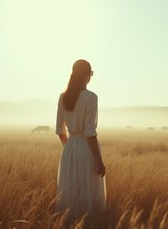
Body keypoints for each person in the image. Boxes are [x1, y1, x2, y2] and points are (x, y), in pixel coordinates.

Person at [55, 59, 107, 223]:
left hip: (69, 149)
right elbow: (90, 133)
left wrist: (71, 147)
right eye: (91, 73)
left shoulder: (63, 97)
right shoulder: (91, 97)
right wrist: (99, 160)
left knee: (71, 190)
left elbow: (59, 131)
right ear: (87, 75)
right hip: (87, 149)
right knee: (89, 190)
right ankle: (89, 223)